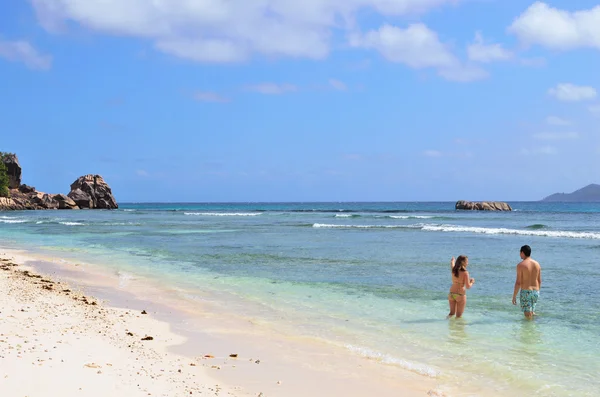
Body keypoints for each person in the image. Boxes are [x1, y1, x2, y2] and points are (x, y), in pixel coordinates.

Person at [512, 245, 541, 319]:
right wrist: (537, 292)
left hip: (526, 292)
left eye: (520, 252)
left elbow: (518, 282)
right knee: (532, 313)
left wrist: (514, 296)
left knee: (527, 316)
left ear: (522, 252)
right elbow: (539, 280)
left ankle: (528, 330)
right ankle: (535, 328)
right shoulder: (537, 264)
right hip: (536, 292)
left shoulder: (520, 265)